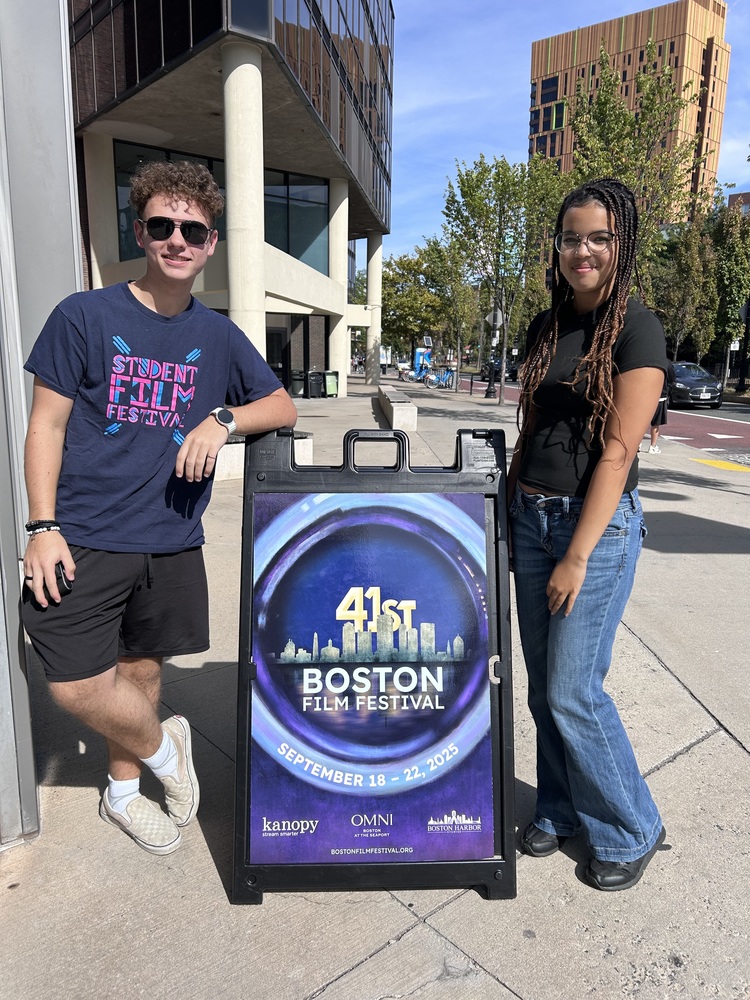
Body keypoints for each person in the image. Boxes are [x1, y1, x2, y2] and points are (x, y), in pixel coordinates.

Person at [21, 160, 298, 855]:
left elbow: (281, 403)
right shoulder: (83, 315)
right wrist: (42, 526)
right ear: (141, 232)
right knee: (78, 686)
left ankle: (122, 792)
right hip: (82, 533)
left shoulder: (219, 335)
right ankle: (166, 751)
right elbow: (44, 427)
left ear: (210, 245)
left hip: (171, 536)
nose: (178, 239)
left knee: (142, 672)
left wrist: (223, 420)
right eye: (162, 225)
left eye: (193, 230)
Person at [507, 178, 668, 891]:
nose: (583, 250)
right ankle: (561, 806)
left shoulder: (638, 327)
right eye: (573, 236)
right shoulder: (547, 325)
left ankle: (632, 825)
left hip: (590, 532)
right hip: (530, 518)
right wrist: (506, 509)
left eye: (599, 237)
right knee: (544, 689)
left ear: (621, 243)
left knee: (575, 690)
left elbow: (618, 451)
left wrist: (577, 554)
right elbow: (535, 426)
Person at [642, 363, 676, 454]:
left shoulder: (647, 361)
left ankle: (638, 444)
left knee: (642, 421)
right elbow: (672, 378)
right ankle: (652, 446)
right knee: (656, 423)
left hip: (645, 394)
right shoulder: (666, 363)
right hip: (660, 395)